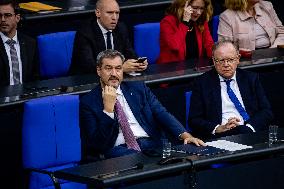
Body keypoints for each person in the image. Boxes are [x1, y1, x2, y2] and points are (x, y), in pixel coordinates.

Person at [80, 49, 205, 159]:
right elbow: (97, 144)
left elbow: (161, 113)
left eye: (118, 68)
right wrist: (108, 111)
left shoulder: (138, 88)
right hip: (119, 150)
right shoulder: (88, 102)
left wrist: (186, 135)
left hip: (150, 143)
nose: (114, 73)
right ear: (98, 70)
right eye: (108, 68)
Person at [188, 40, 273, 138]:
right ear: (214, 61)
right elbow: (194, 120)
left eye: (230, 60)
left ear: (238, 59)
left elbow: (266, 112)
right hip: (221, 136)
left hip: (249, 131)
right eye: (221, 60)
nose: (226, 64)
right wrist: (217, 128)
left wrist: (249, 127)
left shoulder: (251, 79)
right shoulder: (202, 83)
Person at [69, 0, 147, 75]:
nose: (114, 17)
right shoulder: (85, 33)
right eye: (110, 13)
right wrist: (120, 68)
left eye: (117, 13)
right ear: (98, 13)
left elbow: (130, 54)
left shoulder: (121, 28)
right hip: (86, 79)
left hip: (113, 78)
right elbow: (90, 67)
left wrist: (137, 63)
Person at [157, 0, 214, 64]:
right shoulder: (167, 22)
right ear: (183, 7)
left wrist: (217, 58)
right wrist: (185, 23)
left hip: (196, 67)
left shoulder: (201, 21)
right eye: (195, 8)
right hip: (171, 68)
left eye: (201, 8)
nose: (199, 12)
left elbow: (209, 45)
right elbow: (175, 46)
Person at [218, 0, 284, 52]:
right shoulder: (226, 16)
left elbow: (281, 32)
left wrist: (273, 50)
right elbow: (225, 47)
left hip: (274, 57)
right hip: (245, 62)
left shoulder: (267, 6)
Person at [0, 0, 39, 87]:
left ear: (17, 18)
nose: (2, 19)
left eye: (7, 15)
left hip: (25, 96)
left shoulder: (30, 43)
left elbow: (35, 78)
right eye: (0, 16)